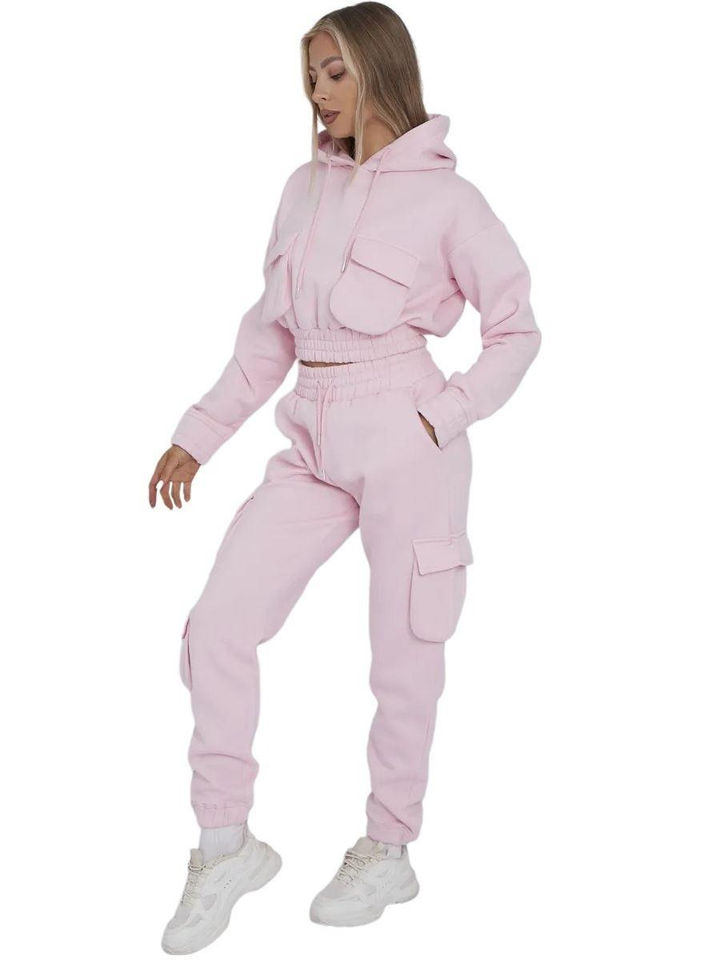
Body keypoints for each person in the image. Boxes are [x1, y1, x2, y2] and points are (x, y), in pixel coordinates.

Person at [150, 3, 541, 950]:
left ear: (381, 70)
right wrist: (199, 435)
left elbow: (517, 329)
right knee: (218, 626)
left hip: (407, 430)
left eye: (334, 73)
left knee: (404, 653)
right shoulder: (302, 190)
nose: (318, 94)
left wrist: (442, 415)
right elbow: (267, 340)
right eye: (310, 76)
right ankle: (227, 844)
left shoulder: (450, 201)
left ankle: (388, 847)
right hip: (312, 435)